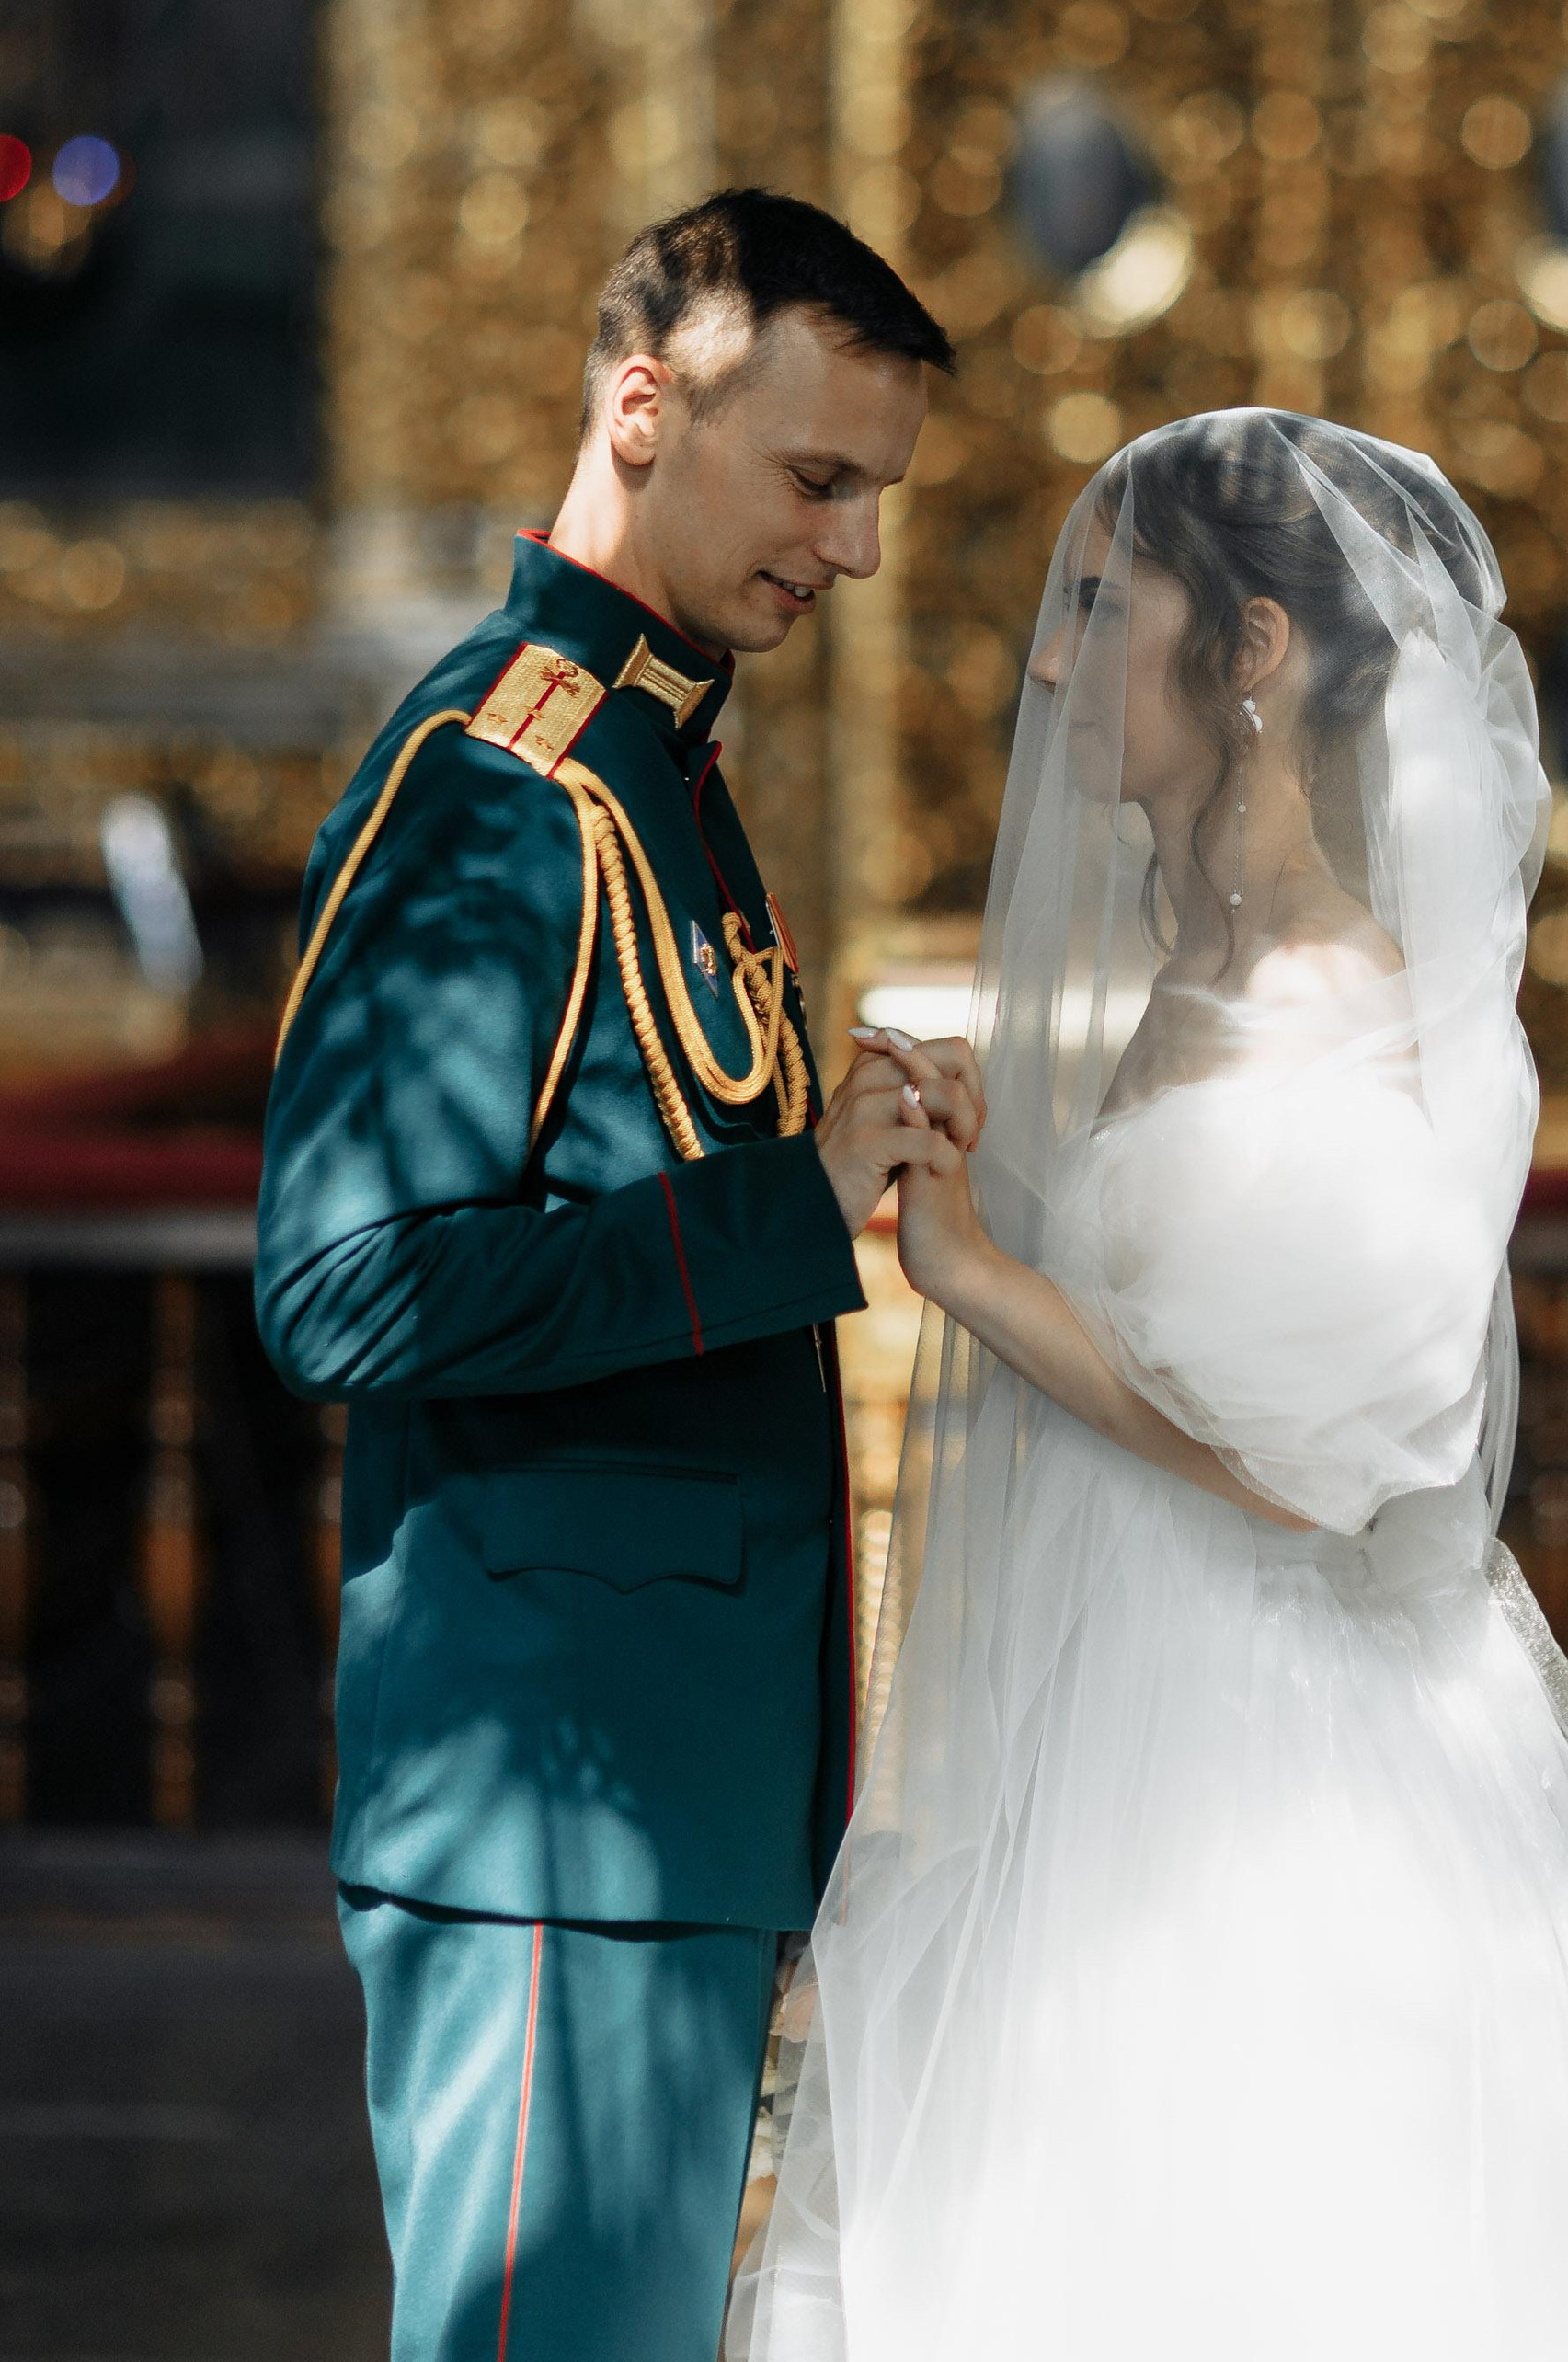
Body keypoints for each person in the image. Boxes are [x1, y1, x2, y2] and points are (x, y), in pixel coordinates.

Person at [734, 410, 1568, 2362]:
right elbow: (1199, 1314)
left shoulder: (1326, 986)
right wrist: (1015, 1205)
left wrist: (972, 1277)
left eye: (1098, 606)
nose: (1050, 661)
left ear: (1247, 653)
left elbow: (1320, 1464)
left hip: (1258, 1723)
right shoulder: (1197, 965)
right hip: (1118, 1680)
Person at [257, 189, 983, 2362]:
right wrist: (789, 1204)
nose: (850, 551)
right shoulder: (507, 781)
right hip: (554, 1793)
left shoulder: (652, 762)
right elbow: (346, 1286)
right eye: (819, 481)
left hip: (672, 1789)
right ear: (647, 408)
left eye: (874, 498)